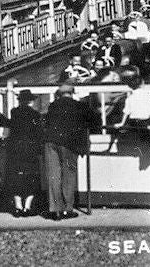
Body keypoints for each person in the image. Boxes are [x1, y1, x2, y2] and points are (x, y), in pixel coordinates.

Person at [44, 83, 99, 220]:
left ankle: (55, 210)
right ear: (73, 93)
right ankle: (67, 209)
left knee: (54, 175)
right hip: (69, 144)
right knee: (68, 175)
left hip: (50, 142)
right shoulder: (79, 106)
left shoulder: (52, 106)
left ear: (59, 94)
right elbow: (95, 121)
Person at [7, 90, 45, 217]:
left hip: (16, 149)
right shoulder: (35, 114)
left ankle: (18, 206)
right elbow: (39, 133)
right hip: (30, 150)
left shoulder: (14, 112)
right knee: (31, 178)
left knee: (16, 178)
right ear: (30, 101)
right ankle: (27, 207)